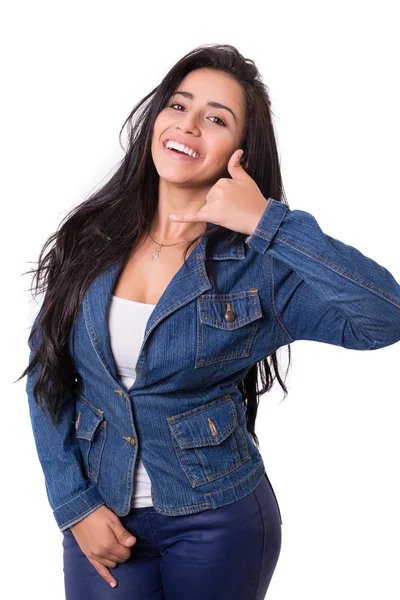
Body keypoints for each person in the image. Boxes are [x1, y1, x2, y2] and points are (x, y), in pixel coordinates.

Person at [19, 43, 400, 599]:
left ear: (240, 152)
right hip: (105, 517)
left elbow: (384, 318)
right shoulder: (92, 236)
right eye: (178, 105)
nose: (189, 125)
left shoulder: (261, 268)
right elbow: (46, 375)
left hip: (219, 519)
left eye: (216, 118)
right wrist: (73, 504)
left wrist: (268, 223)